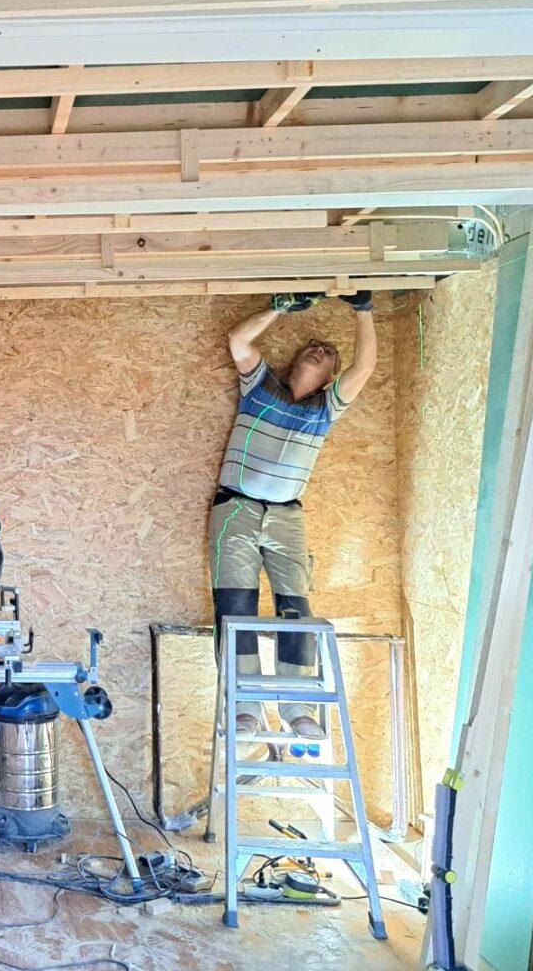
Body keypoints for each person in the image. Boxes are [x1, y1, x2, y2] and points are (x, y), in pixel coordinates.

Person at [210, 290, 376, 743]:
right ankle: (245, 708)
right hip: (236, 508)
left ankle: (297, 706)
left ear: (330, 378)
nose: (319, 350)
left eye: (328, 354)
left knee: (296, 608)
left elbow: (364, 368)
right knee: (234, 608)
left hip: (287, 517)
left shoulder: (325, 409)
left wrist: (363, 311)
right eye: (312, 347)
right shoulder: (261, 387)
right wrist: (279, 307)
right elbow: (239, 340)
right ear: (296, 360)